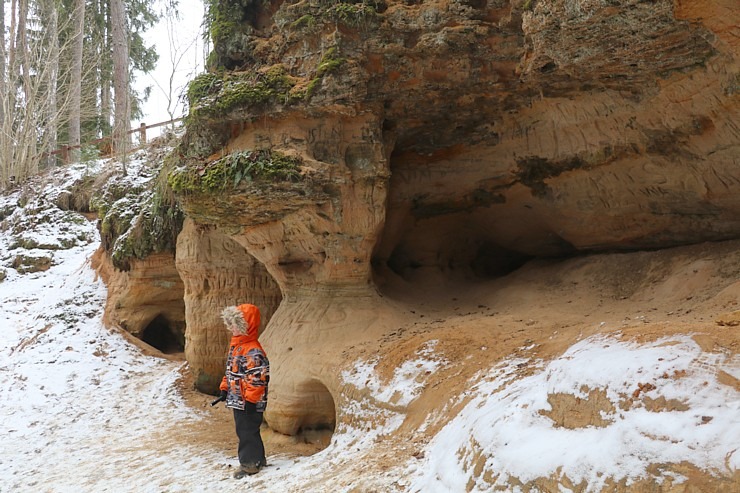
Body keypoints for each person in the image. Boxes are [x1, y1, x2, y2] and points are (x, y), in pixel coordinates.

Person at [218, 303, 270, 479]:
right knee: (247, 430)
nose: (231, 327)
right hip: (239, 399)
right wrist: (225, 388)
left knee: (247, 432)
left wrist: (251, 400)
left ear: (245, 326)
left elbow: (257, 378)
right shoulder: (237, 346)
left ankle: (249, 465)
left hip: (248, 402)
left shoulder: (253, 350)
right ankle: (258, 459)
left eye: (235, 324)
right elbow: (231, 371)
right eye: (230, 323)